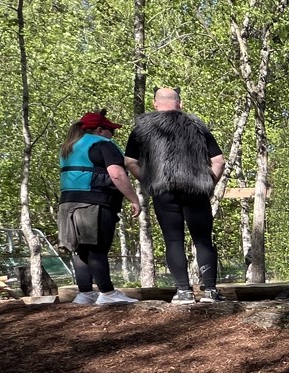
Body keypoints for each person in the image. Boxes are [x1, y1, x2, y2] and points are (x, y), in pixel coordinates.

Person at [124, 88, 225, 304]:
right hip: (196, 189)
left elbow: (130, 162)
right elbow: (219, 160)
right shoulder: (197, 125)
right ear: (180, 103)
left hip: (164, 190)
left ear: (155, 104)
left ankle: (183, 292)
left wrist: (150, 181)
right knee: (203, 240)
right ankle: (210, 291)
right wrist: (209, 184)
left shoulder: (142, 128)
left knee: (173, 240)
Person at [58, 110, 142, 305]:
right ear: (99, 130)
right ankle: (107, 292)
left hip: (68, 203)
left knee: (80, 249)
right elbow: (117, 174)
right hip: (94, 202)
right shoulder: (103, 144)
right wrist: (133, 199)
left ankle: (85, 293)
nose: (113, 135)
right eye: (111, 130)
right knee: (97, 247)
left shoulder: (69, 147)